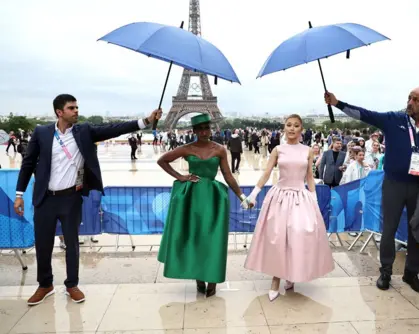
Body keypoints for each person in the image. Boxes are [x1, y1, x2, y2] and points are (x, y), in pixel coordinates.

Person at [14, 94, 161, 306]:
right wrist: (19, 195)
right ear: (59, 112)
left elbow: (114, 128)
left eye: (76, 107)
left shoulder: (84, 131)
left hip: (71, 197)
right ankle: (45, 284)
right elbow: (28, 164)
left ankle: (72, 284)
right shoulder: (42, 133)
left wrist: (146, 121)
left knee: (72, 244)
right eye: (72, 108)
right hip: (45, 198)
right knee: (43, 245)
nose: (76, 111)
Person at [325, 87, 419, 294]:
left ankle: (411, 273)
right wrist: (337, 103)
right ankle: (386, 272)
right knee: (389, 229)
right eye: (409, 97)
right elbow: (365, 114)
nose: (410, 102)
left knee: (416, 230)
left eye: (416, 100)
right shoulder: (394, 120)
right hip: (394, 184)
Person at [157, 114, 252, 298]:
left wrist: (242, 197)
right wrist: (181, 177)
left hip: (213, 200)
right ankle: (199, 277)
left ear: (210, 129)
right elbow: (162, 161)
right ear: (194, 131)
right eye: (199, 129)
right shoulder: (187, 148)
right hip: (191, 199)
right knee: (195, 238)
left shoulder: (219, 149)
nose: (203, 132)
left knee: (212, 239)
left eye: (206, 128)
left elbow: (228, 175)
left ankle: (212, 278)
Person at [244, 114, 334, 302]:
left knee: (298, 236)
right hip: (280, 198)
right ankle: (275, 280)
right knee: (279, 239)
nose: (292, 128)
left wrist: (314, 198)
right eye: (289, 125)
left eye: (296, 126)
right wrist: (253, 194)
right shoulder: (278, 149)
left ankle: (292, 274)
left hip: (301, 198)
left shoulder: (308, 151)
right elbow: (267, 172)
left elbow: (309, 176)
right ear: (284, 128)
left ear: (301, 129)